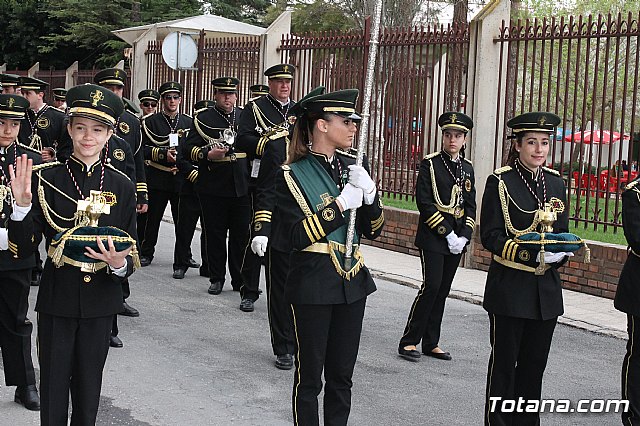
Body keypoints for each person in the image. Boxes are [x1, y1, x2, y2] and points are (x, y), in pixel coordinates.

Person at [22, 84, 138, 425]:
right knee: (54, 388)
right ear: (70, 129)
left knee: (89, 391)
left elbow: (132, 246)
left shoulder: (122, 185)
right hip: (58, 299)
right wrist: (21, 209)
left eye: (98, 130)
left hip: (101, 302)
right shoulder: (46, 179)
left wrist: (120, 266)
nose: (89, 137)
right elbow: (24, 247)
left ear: (109, 134)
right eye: (81, 128)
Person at [274, 89, 384, 425]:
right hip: (313, 282)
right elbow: (294, 237)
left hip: (352, 283)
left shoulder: (352, 168)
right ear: (322, 125)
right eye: (346, 121)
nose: (353, 128)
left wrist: (370, 196)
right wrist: (339, 206)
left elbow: (375, 229)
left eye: (354, 122)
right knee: (310, 378)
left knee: (342, 377)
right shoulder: (292, 174)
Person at [480, 111, 575, 425]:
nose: (539, 149)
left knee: (534, 369)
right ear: (517, 145)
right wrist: (529, 256)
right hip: (510, 288)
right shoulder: (501, 181)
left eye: (544, 143)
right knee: (505, 368)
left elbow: (561, 233)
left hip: (545, 293)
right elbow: (491, 235)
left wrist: (561, 253)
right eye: (532, 142)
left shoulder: (556, 183)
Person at [251, 85, 324, 370]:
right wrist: (262, 229)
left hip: (314, 232)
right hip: (282, 230)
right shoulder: (277, 144)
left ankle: (305, 342)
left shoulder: (324, 148)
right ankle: (283, 346)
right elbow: (266, 190)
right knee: (280, 293)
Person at [398, 111, 476, 362]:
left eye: (457, 136)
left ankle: (431, 342)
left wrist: (464, 236)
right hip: (434, 236)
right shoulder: (430, 164)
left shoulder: (467, 168)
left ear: (465, 139)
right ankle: (409, 341)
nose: (452, 140)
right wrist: (448, 233)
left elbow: (471, 205)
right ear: (443, 137)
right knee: (431, 286)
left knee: (443, 289)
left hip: (457, 240)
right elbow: (425, 202)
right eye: (448, 135)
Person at [236, 64, 297, 313]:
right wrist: (271, 146)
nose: (284, 86)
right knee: (258, 232)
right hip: (263, 176)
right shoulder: (255, 108)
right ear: (270, 83)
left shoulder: (297, 110)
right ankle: (249, 290)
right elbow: (243, 140)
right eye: (279, 81)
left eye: (288, 81)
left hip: (293, 179)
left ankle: (288, 291)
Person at [185, 77, 248, 295]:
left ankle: (239, 279)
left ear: (236, 96)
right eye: (223, 93)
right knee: (215, 235)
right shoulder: (203, 118)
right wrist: (206, 154)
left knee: (241, 237)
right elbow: (188, 149)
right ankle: (216, 277)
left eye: (231, 93)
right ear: (215, 95)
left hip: (241, 185)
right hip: (213, 184)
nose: (227, 97)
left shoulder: (245, 116)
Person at [0, 94, 42, 411]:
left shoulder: (30, 160)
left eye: (14, 124)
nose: (8, 130)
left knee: (17, 318)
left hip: (16, 253)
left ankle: (25, 383)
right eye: (1, 123)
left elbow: (40, 212)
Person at [17, 76, 71, 288]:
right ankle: (33, 267)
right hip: (26, 176)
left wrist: (55, 154)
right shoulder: (20, 117)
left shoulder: (58, 117)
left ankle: (54, 267)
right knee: (31, 225)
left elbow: (67, 149)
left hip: (50, 179)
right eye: (21, 93)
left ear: (40, 95)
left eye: (27, 94)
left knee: (52, 225)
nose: (23, 97)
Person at [139, 81, 194, 270]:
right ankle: (146, 252)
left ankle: (185, 255)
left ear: (180, 99)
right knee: (152, 219)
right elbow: (142, 150)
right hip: (158, 176)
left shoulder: (188, 121)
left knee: (183, 221)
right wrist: (162, 154)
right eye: (168, 97)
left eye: (175, 97)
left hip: (180, 179)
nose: (172, 101)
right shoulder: (150, 122)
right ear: (162, 100)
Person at [615, 175, 640, 425]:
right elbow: (637, 238)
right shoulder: (634, 193)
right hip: (638, 290)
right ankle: (634, 416)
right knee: (638, 354)